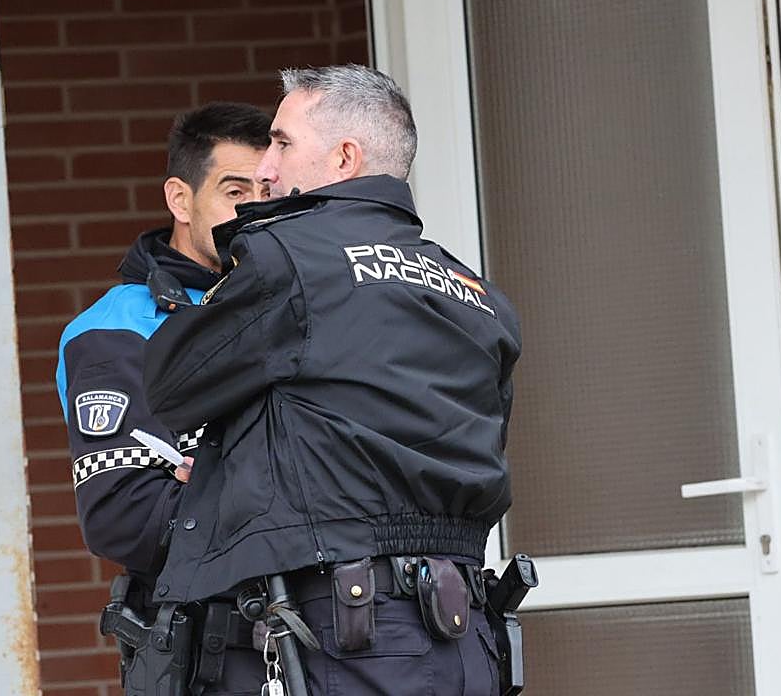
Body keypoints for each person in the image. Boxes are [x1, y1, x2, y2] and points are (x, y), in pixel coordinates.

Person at [143, 65, 521, 695]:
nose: (265, 169)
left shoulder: (290, 257)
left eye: (282, 144)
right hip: (464, 639)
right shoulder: (476, 295)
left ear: (345, 158)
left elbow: (173, 385)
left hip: (346, 633)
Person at [55, 102, 269, 599]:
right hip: (212, 648)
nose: (255, 210)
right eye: (235, 192)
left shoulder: (298, 303)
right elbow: (127, 519)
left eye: (268, 192)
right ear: (180, 199)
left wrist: (215, 478)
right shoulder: (114, 328)